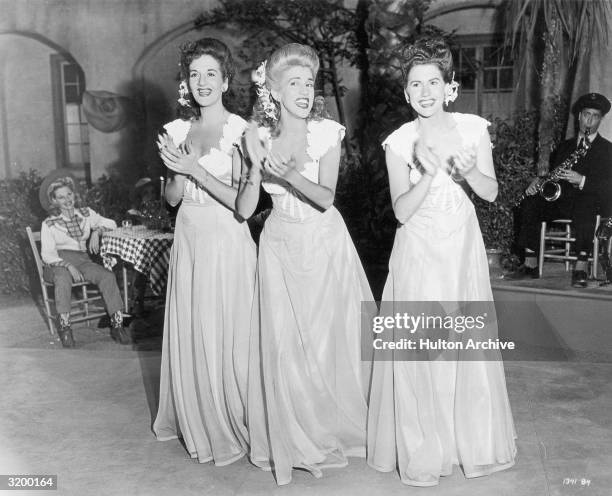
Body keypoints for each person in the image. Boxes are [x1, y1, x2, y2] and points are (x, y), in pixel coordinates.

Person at [366, 37, 517, 486]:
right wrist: (429, 174)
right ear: (407, 93)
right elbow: (400, 211)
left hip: (461, 247)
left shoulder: (473, 128)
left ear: (449, 86)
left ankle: (466, 442)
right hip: (418, 248)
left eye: (434, 81)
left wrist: (469, 171)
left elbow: (491, 192)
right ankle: (425, 449)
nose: (426, 91)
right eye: (416, 84)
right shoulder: (399, 142)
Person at [238, 43, 375, 485]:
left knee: (327, 338)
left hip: (324, 241)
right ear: (273, 91)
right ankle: (298, 433)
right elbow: (246, 205)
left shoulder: (327, 132)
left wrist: (289, 175)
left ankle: (334, 423)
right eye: (292, 82)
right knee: (286, 343)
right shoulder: (256, 137)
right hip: (278, 242)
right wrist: (255, 172)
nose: (302, 90)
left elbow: (326, 198)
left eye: (308, 82)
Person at [152, 38, 256, 466]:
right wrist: (177, 170)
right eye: (194, 74)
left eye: (211, 72)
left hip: (228, 239)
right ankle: (201, 418)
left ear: (226, 80)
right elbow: (173, 199)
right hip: (191, 237)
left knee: (231, 332)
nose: (202, 81)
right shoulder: (177, 131)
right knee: (195, 328)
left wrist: (194, 168)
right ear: (186, 82)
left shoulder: (241, 132)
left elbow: (240, 202)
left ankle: (235, 418)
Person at [509, 92, 612, 287]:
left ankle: (581, 266)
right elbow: (553, 176)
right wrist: (539, 182)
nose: (589, 120)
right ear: (579, 116)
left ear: (601, 119)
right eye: (586, 114)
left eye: (595, 116)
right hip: (563, 200)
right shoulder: (565, 147)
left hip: (590, 203)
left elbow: (608, 187)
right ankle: (530, 264)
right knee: (531, 202)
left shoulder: (608, 150)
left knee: (586, 203)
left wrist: (582, 180)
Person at [39, 169, 130, 348]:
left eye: (69, 194)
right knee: (63, 278)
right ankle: (66, 330)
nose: (67, 200)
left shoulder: (86, 213)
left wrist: (97, 231)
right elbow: (47, 254)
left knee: (107, 276)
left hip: (82, 260)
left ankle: (118, 326)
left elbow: (110, 223)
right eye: (61, 197)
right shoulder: (49, 223)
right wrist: (67, 266)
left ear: (74, 194)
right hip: (56, 264)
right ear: (54, 201)